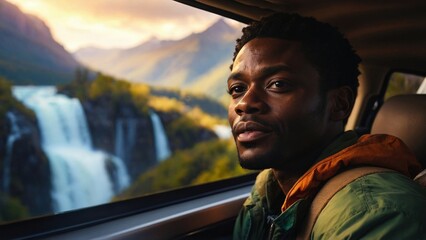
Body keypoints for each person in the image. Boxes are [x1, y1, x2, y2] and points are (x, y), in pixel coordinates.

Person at [228, 12, 426, 239]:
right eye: (237, 89)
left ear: (339, 105)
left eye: (278, 84)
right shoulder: (266, 193)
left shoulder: (376, 213)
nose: (244, 103)